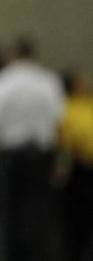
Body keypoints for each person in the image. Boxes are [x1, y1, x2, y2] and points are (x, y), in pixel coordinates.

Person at [0, 37, 65, 261]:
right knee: (40, 217)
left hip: (9, 159)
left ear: (12, 54)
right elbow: (59, 126)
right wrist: (59, 164)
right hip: (41, 157)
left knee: (9, 219)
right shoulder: (48, 81)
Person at [59, 70, 93, 261]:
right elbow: (64, 139)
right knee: (76, 222)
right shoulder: (66, 107)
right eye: (82, 81)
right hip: (77, 171)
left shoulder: (89, 104)